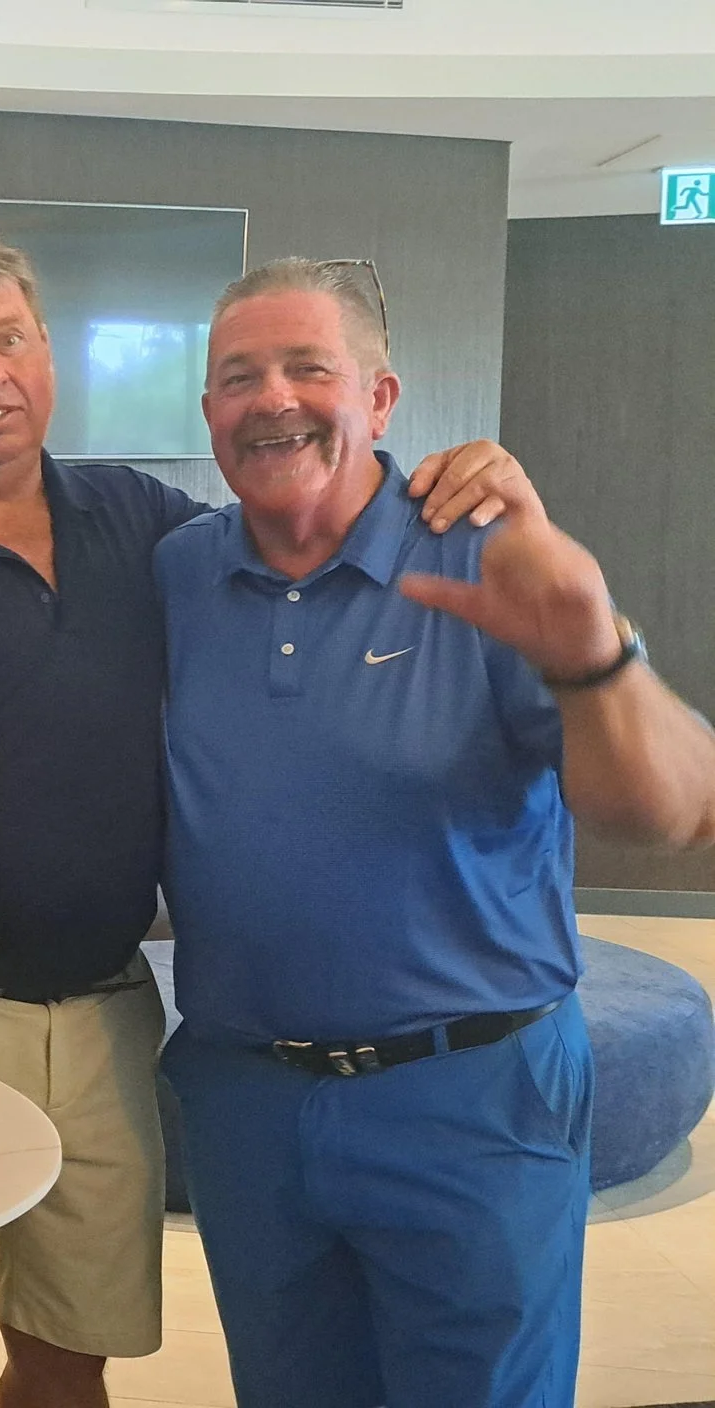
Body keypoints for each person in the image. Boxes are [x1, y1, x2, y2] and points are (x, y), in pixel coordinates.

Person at [0, 234, 526, 1408]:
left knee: (71, 1355)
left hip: (110, 1012)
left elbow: (305, 525)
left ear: (48, 360)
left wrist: (453, 484)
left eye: (10, 340)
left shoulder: (144, 524)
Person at [156, 258, 715, 1408]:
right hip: (246, 1102)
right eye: (238, 376)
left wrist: (594, 657)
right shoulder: (175, 571)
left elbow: (676, 809)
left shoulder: (491, 552)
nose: (271, 399)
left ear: (380, 398)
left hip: (469, 1096)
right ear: (206, 411)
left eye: (308, 368)